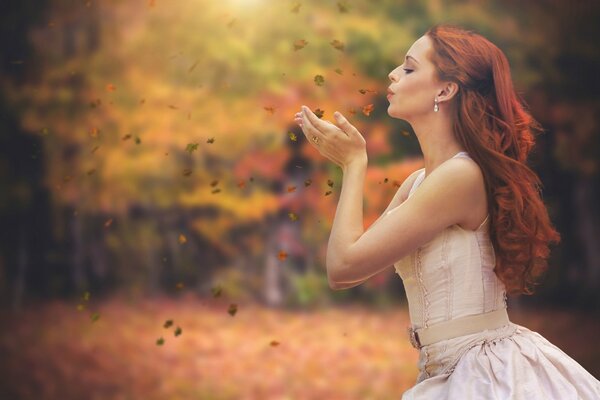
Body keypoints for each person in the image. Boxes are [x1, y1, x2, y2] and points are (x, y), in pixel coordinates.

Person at [294, 23, 600, 399]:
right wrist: (351, 165)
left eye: (408, 68)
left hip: (484, 372)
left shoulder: (461, 175)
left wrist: (355, 165)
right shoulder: (419, 182)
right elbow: (345, 268)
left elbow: (343, 267)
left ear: (445, 89)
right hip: (443, 370)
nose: (393, 74)